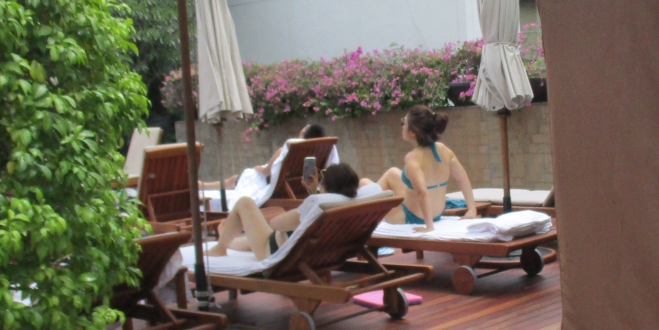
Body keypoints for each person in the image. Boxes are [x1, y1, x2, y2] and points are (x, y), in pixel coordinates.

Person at [207, 162, 381, 260]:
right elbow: (321, 206)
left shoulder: (317, 205)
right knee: (246, 242)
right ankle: (226, 238)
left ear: (326, 187)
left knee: (245, 203)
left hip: (275, 251)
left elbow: (275, 224)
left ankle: (220, 248)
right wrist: (314, 194)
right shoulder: (350, 204)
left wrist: (307, 202)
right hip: (313, 252)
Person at [376, 106, 477, 232]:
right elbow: (462, 178)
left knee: (365, 184)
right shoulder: (444, 150)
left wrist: (429, 227)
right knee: (392, 173)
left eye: (403, 123)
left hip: (412, 216)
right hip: (437, 213)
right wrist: (472, 209)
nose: (401, 126)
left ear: (412, 133)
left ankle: (357, 209)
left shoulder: (413, 158)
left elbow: (422, 192)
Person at [201, 123, 332, 192]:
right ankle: (203, 185)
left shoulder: (286, 150)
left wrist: (256, 167)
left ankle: (204, 186)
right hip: (296, 186)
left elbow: (266, 172)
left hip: (272, 183)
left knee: (240, 177)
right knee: (237, 178)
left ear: (303, 132)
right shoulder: (318, 152)